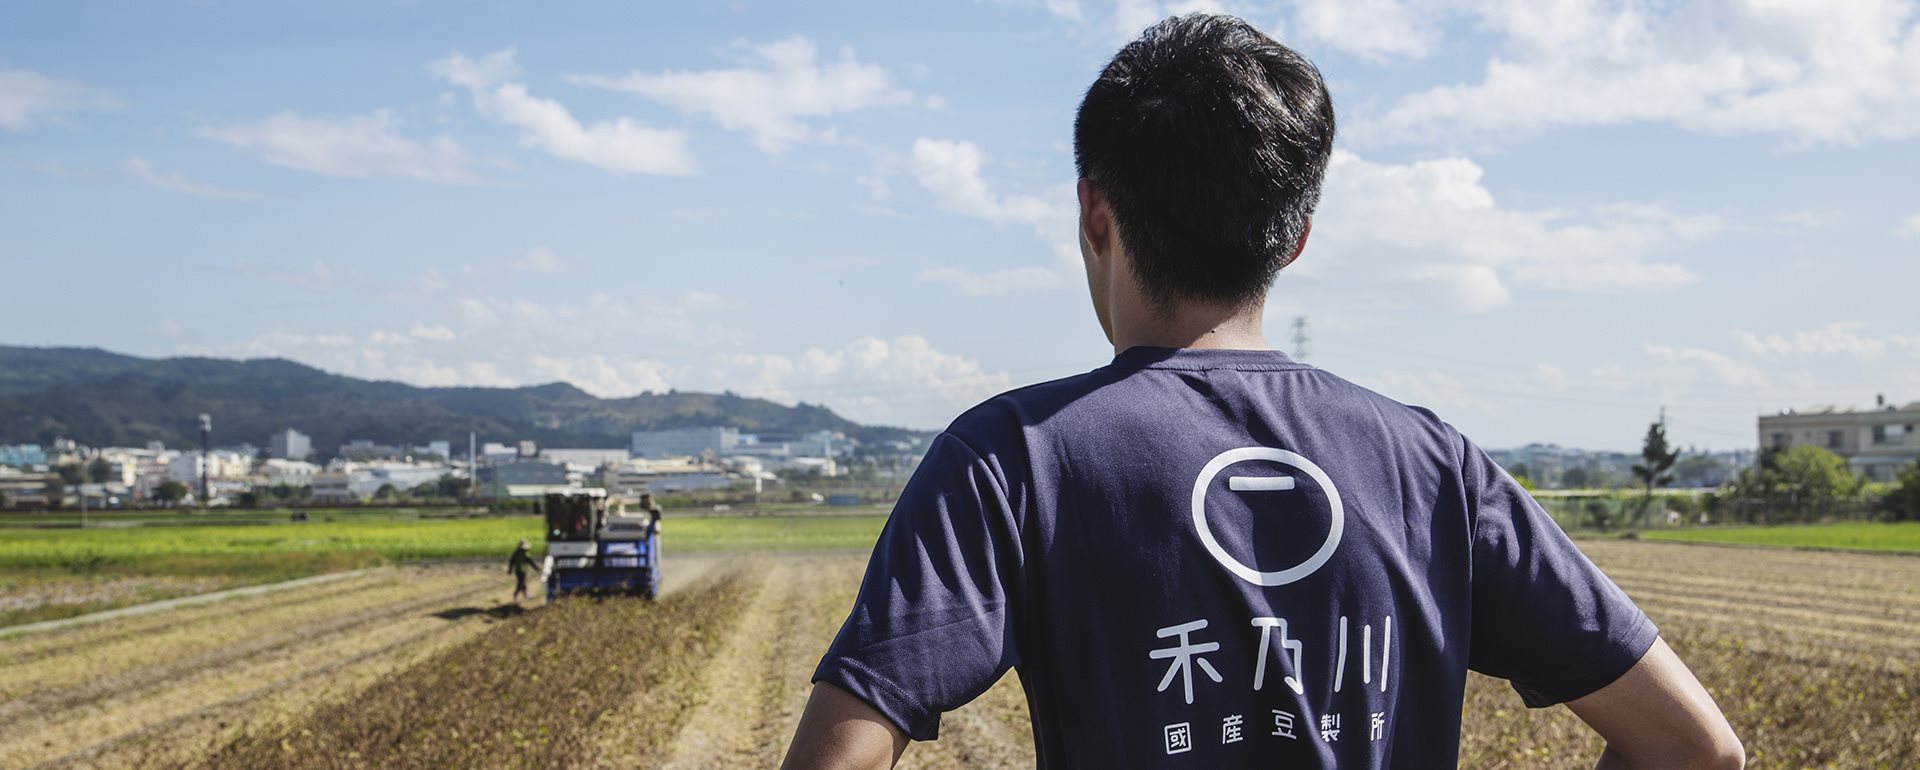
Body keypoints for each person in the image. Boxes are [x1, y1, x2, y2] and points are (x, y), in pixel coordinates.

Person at [781, 13, 1742, 770]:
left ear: (1094, 212)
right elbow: (1694, 747)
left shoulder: (1015, 456)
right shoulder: (1431, 464)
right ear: (1295, 237)